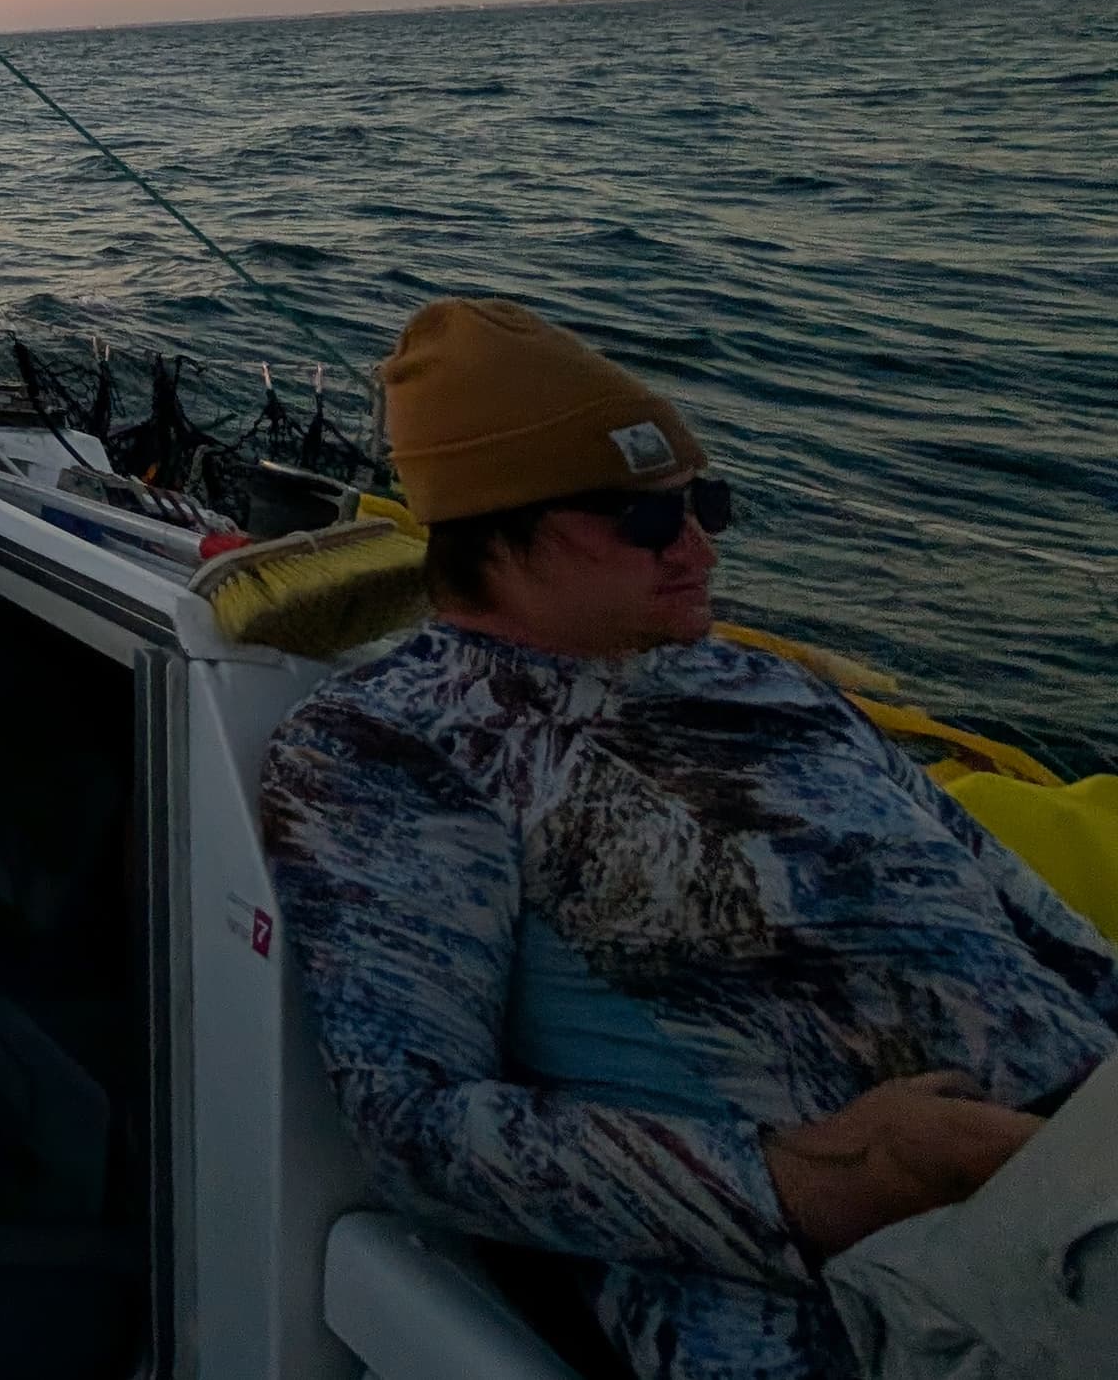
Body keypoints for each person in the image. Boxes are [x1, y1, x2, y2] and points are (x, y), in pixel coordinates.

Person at [258, 298, 1118, 1380]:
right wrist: (827, 1180)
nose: (699, 544)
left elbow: (1032, 918)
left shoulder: (771, 680)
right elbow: (416, 1127)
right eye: (646, 520)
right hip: (889, 1291)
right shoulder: (391, 746)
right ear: (496, 533)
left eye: (703, 501)